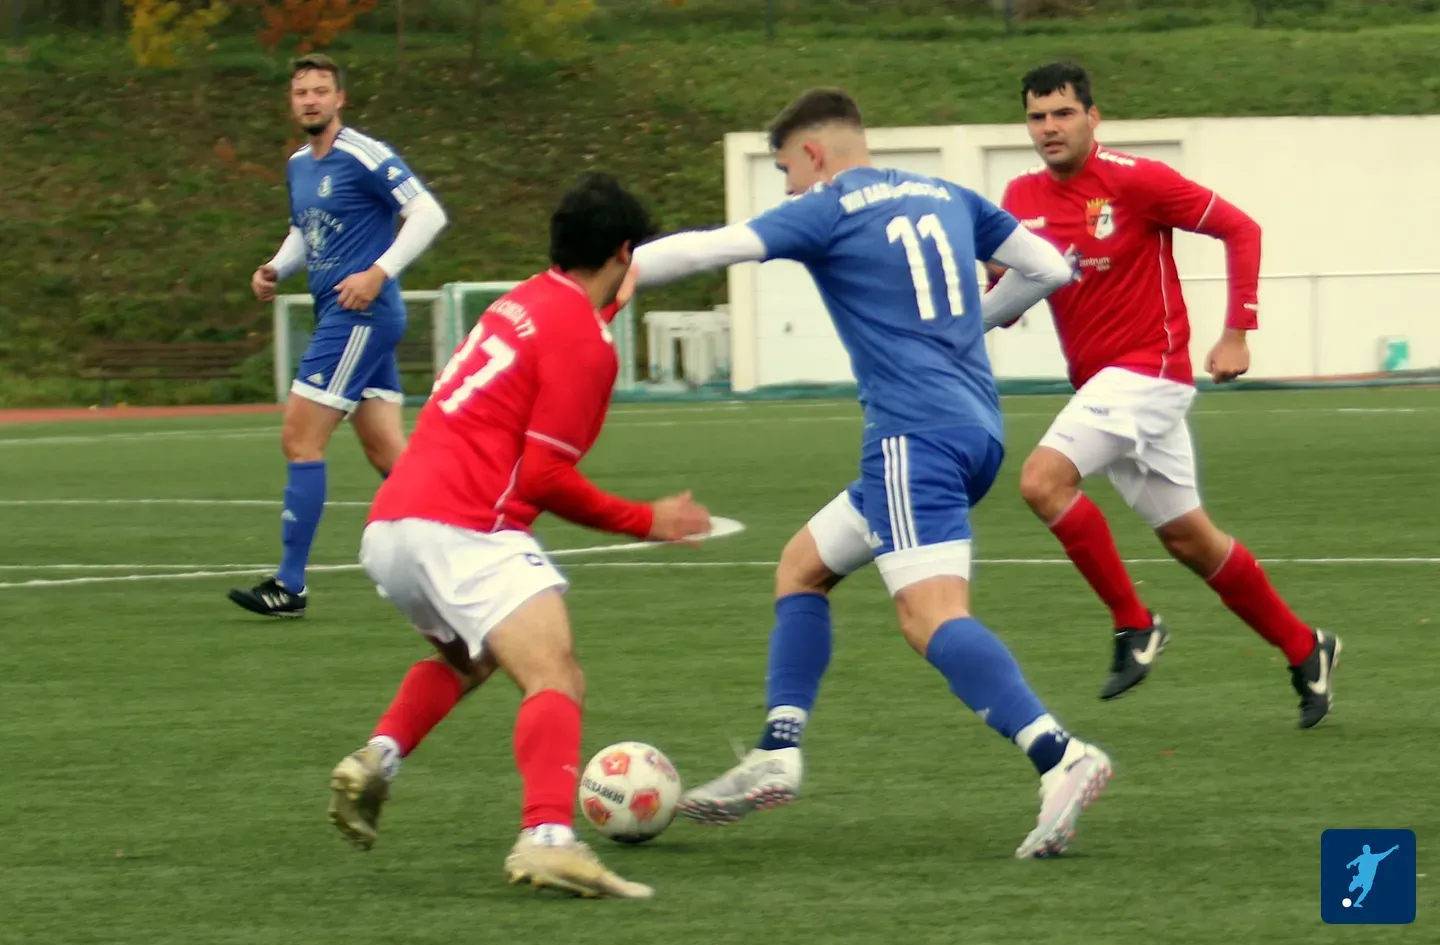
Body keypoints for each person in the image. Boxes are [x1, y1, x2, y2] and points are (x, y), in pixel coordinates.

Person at [631, 87, 1115, 859]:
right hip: (975, 429)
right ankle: (777, 751)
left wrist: (607, 274)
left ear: (815, 154)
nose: (789, 187)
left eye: (787, 170)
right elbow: (1050, 266)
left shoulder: (831, 206)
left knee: (930, 618)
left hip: (912, 439)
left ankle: (1060, 754)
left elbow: (714, 247)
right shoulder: (945, 193)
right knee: (801, 567)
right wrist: (965, 329)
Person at [325, 173, 711, 899]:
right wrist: (646, 520)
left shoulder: (517, 302)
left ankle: (379, 756)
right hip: (464, 525)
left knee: (472, 660)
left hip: (392, 526)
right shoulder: (585, 340)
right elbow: (543, 478)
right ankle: (548, 839)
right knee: (555, 673)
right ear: (625, 253)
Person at [984, 60, 1340, 726]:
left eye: (1063, 113)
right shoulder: (1019, 197)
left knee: (1041, 482)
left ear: (1093, 117)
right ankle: (1306, 647)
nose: (1049, 128)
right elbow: (1009, 296)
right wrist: (979, 307)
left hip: (1150, 371)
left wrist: (1239, 331)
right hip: (1105, 387)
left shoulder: (1137, 181)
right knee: (1191, 541)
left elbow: (1242, 228)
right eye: (1037, 117)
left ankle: (1134, 623)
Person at [228, 53, 448, 619]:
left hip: (361, 315)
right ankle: (460, 546)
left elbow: (427, 214)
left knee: (300, 437)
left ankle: (291, 585)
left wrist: (379, 272)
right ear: (292, 101)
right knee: (386, 451)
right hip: (341, 314)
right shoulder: (299, 164)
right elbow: (305, 232)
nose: (310, 100)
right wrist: (276, 268)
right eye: (301, 92)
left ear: (339, 99)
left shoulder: (364, 154)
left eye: (320, 91)